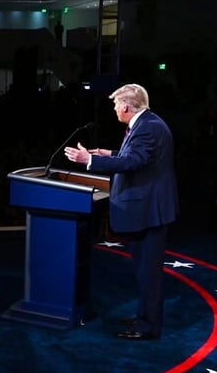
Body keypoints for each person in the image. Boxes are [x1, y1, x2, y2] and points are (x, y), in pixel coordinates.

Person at [64, 83, 179, 340]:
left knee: (148, 273)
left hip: (150, 212)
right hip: (148, 209)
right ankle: (144, 317)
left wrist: (90, 161)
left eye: (116, 105)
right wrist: (107, 153)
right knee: (144, 271)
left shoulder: (147, 128)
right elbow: (136, 156)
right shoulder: (147, 123)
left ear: (125, 106)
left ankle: (149, 326)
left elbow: (133, 162)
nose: (115, 110)